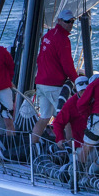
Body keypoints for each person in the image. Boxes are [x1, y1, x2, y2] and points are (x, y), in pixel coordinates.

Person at [31, 9, 79, 145]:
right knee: (68, 118)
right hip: (54, 86)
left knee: (45, 117)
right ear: (59, 21)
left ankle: (32, 147)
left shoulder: (48, 35)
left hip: (41, 84)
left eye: (72, 21)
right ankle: (70, 149)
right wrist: (78, 81)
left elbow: (40, 59)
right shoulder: (63, 39)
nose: (70, 24)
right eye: (67, 21)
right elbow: (68, 65)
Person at [51, 74, 91, 151]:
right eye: (82, 91)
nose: (84, 93)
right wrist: (60, 139)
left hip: (97, 144)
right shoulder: (71, 104)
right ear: (77, 90)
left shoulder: (96, 100)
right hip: (79, 145)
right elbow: (58, 122)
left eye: (86, 90)